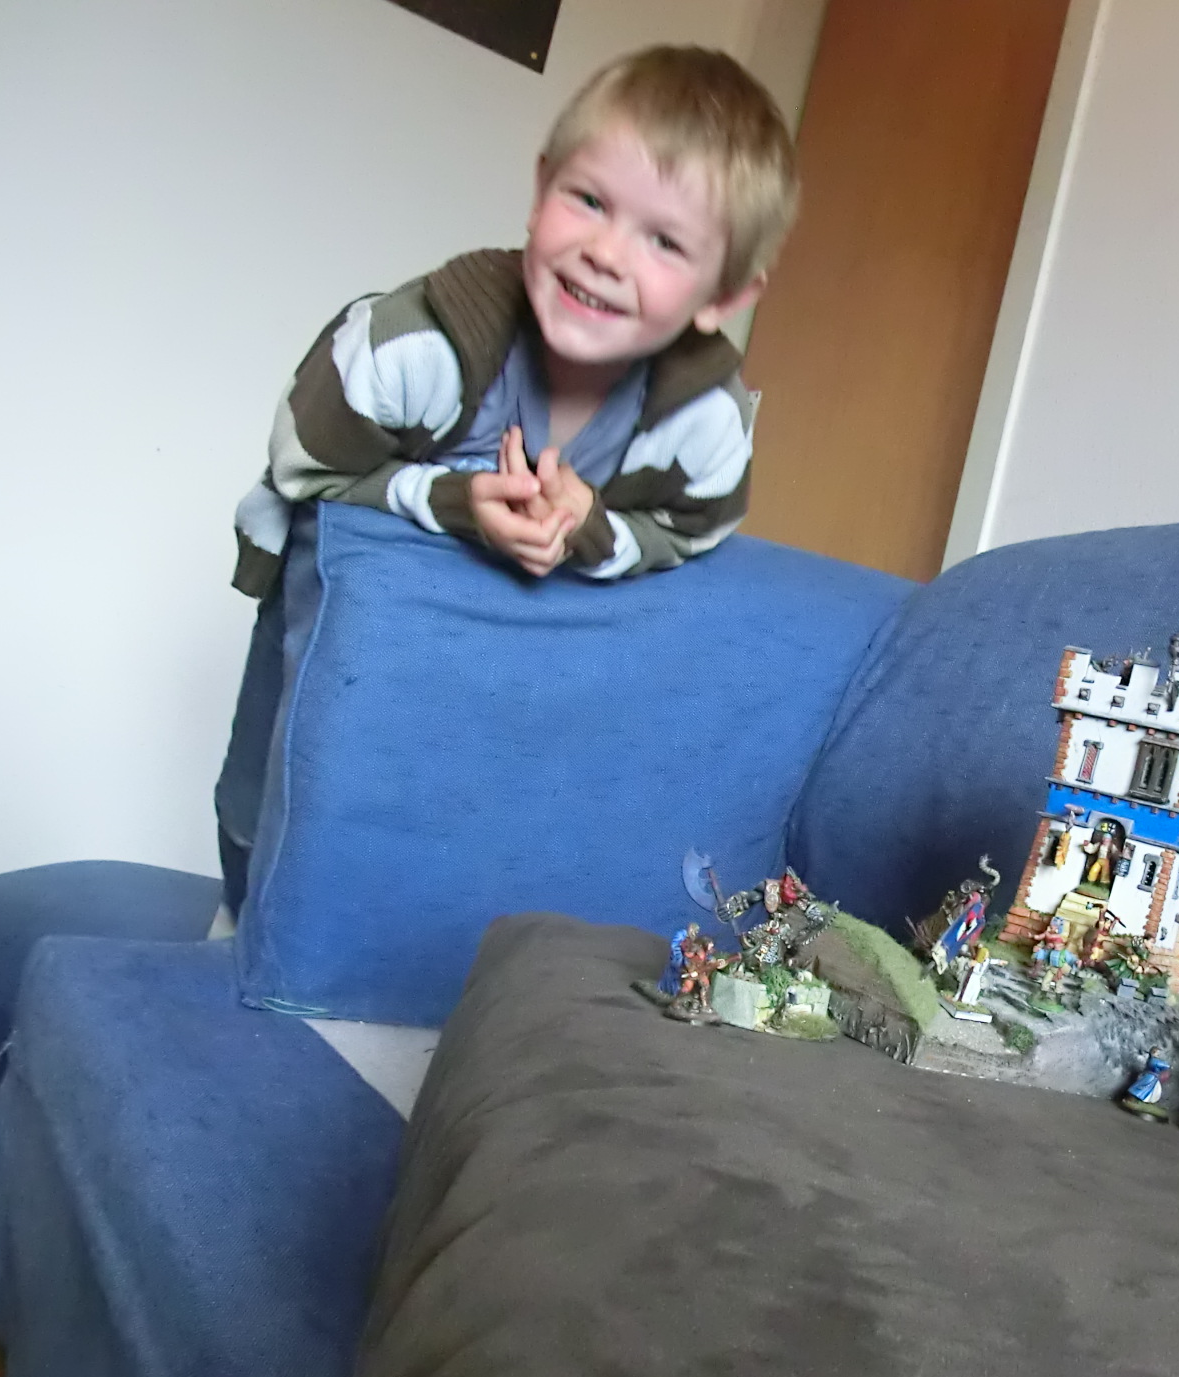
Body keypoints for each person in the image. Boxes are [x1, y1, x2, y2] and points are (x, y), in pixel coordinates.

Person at [213, 46, 800, 916]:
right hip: (336, 643)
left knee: (440, 856)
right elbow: (302, 468)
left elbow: (694, 530)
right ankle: (235, 916)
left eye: (666, 242)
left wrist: (590, 524)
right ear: (540, 187)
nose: (605, 252)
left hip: (485, 683)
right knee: (262, 824)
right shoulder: (412, 347)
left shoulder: (700, 426)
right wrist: (451, 503)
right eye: (588, 200)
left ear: (724, 297)